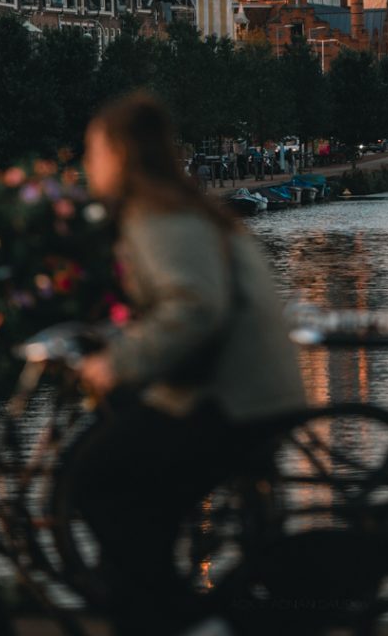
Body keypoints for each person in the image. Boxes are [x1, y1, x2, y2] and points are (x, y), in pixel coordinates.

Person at [76, 92, 305, 635]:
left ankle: (181, 619)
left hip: (235, 397)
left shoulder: (157, 216)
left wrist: (118, 362)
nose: (86, 163)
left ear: (120, 154)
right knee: (147, 509)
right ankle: (160, 608)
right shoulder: (180, 208)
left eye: (93, 149)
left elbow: (195, 307)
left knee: (93, 476)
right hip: (253, 389)